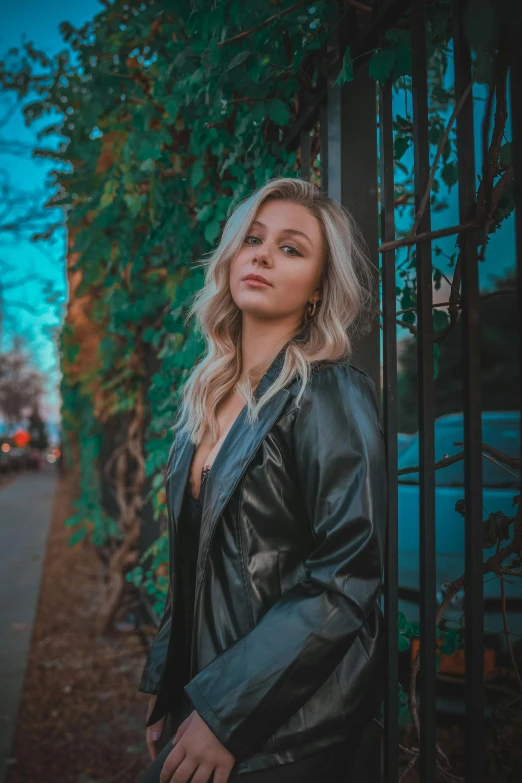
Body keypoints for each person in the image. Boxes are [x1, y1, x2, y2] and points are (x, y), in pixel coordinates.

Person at [137, 177, 387, 783]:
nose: (263, 255)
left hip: (283, 726)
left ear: (318, 289)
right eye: (253, 238)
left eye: (292, 248)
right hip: (204, 700)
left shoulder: (328, 395)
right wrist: (168, 687)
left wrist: (225, 717)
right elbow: (193, 560)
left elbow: (344, 581)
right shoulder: (207, 397)